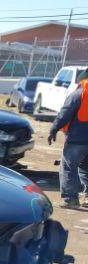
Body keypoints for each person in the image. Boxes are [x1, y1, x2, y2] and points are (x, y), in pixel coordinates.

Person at [48, 69, 88, 209]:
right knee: (85, 168)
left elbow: (65, 112)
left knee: (68, 168)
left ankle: (70, 199)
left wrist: (53, 129)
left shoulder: (79, 94)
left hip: (77, 139)